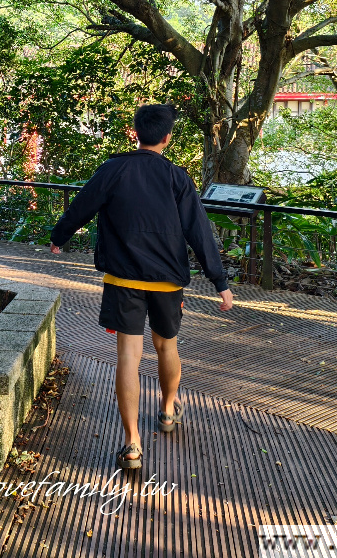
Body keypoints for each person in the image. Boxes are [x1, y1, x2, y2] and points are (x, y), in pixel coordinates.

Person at [49, 103, 233, 470]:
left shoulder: (114, 168)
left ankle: (132, 444)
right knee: (167, 346)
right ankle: (167, 410)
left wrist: (60, 235)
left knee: (128, 358)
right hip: (167, 282)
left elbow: (82, 205)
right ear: (167, 138)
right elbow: (199, 231)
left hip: (123, 280)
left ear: (136, 133)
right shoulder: (178, 178)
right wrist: (220, 283)